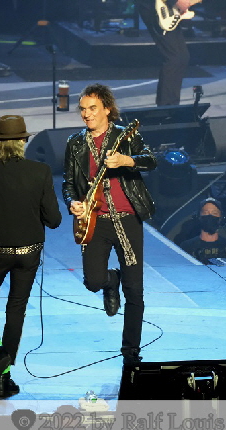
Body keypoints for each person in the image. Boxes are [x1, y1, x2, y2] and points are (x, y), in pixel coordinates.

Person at [62, 83, 157, 365]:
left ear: (107, 109)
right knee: (93, 282)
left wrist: (126, 160)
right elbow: (68, 183)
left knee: (134, 290)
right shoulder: (75, 143)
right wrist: (72, 202)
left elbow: (151, 161)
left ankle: (131, 351)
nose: (87, 114)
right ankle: (110, 280)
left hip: (127, 219)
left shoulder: (126, 136)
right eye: (83, 109)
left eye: (93, 108)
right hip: (95, 220)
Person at [0, 115, 62, 397]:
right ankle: (4, 379)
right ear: (23, 141)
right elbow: (54, 220)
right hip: (29, 253)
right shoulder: (40, 171)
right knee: (16, 309)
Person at [135, 0, 193, 106]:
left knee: (181, 57)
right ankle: (166, 107)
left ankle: (170, 107)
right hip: (155, 7)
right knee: (175, 57)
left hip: (166, 7)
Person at [179, 197, 226, 264]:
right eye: (206, 213)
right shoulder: (187, 246)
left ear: (221, 218)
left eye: (214, 213)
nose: (210, 216)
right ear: (198, 216)